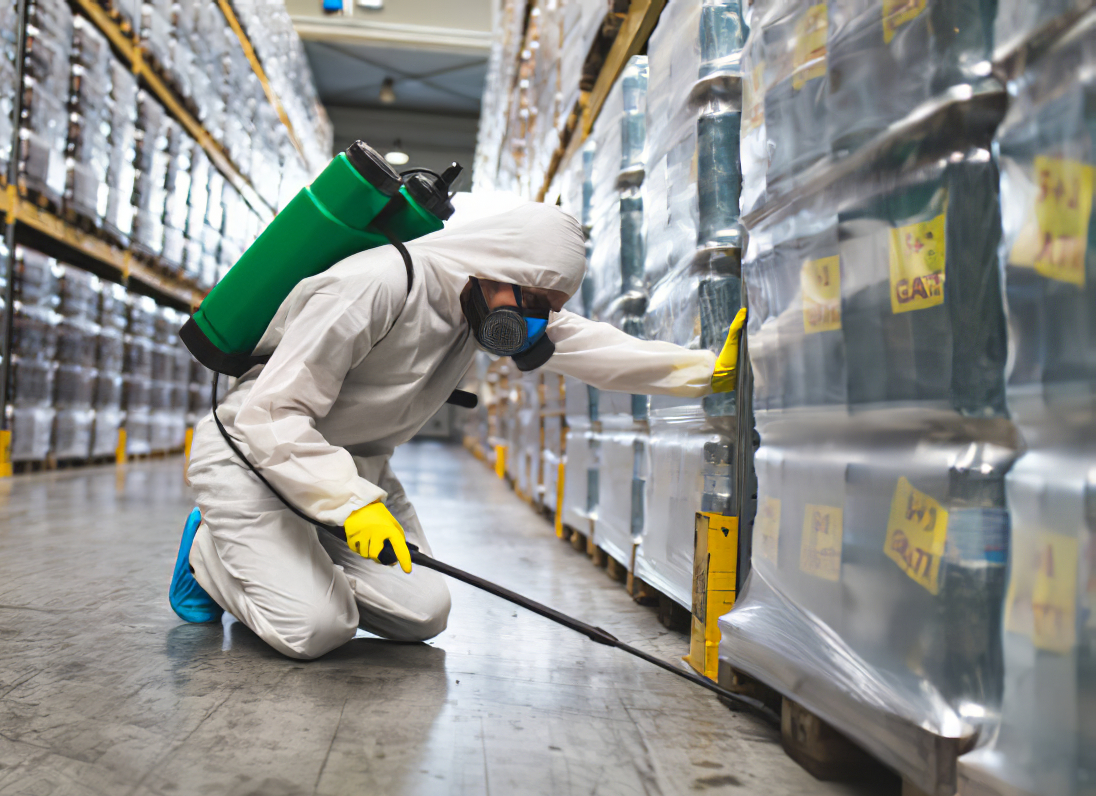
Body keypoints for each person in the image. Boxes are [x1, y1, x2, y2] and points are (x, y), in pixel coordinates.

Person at [169, 200, 744, 660]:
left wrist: (701, 372)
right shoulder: (376, 284)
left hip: (354, 473)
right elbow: (271, 414)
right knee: (316, 629)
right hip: (254, 461)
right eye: (535, 300)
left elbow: (592, 346)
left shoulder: (483, 305)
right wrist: (348, 504)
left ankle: (286, 557)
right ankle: (208, 552)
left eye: (549, 307)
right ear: (499, 265)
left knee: (423, 613)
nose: (535, 320)